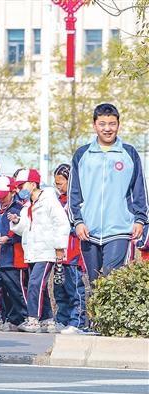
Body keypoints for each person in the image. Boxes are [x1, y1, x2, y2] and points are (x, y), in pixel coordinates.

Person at [68, 103, 146, 282]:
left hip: (119, 228)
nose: (107, 128)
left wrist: (140, 219)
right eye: (102, 124)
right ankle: (93, 312)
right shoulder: (82, 154)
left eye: (112, 124)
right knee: (94, 282)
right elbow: (74, 192)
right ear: (94, 125)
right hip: (88, 230)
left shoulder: (129, 153)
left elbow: (139, 189)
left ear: (118, 125)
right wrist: (78, 222)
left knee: (112, 278)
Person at [8, 169, 70, 333]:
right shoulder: (28, 205)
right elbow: (23, 229)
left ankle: (33, 319)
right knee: (36, 285)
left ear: (33, 184)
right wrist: (16, 221)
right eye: (18, 186)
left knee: (36, 284)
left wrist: (59, 247)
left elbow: (62, 223)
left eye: (22, 185)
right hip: (32, 251)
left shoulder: (49, 200)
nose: (19, 189)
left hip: (46, 250)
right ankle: (47, 319)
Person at [0, 176, 28, 332]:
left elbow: (26, 231)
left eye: (4, 196)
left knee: (15, 290)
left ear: (12, 191)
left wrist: (10, 238)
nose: (1, 199)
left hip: (13, 258)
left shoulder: (20, 208)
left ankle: (24, 317)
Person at [52, 164, 88, 335]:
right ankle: (62, 319)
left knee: (75, 289)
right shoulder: (58, 201)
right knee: (60, 289)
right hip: (59, 253)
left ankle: (78, 321)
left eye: (61, 183)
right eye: (56, 184)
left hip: (74, 253)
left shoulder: (79, 203)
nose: (58, 187)